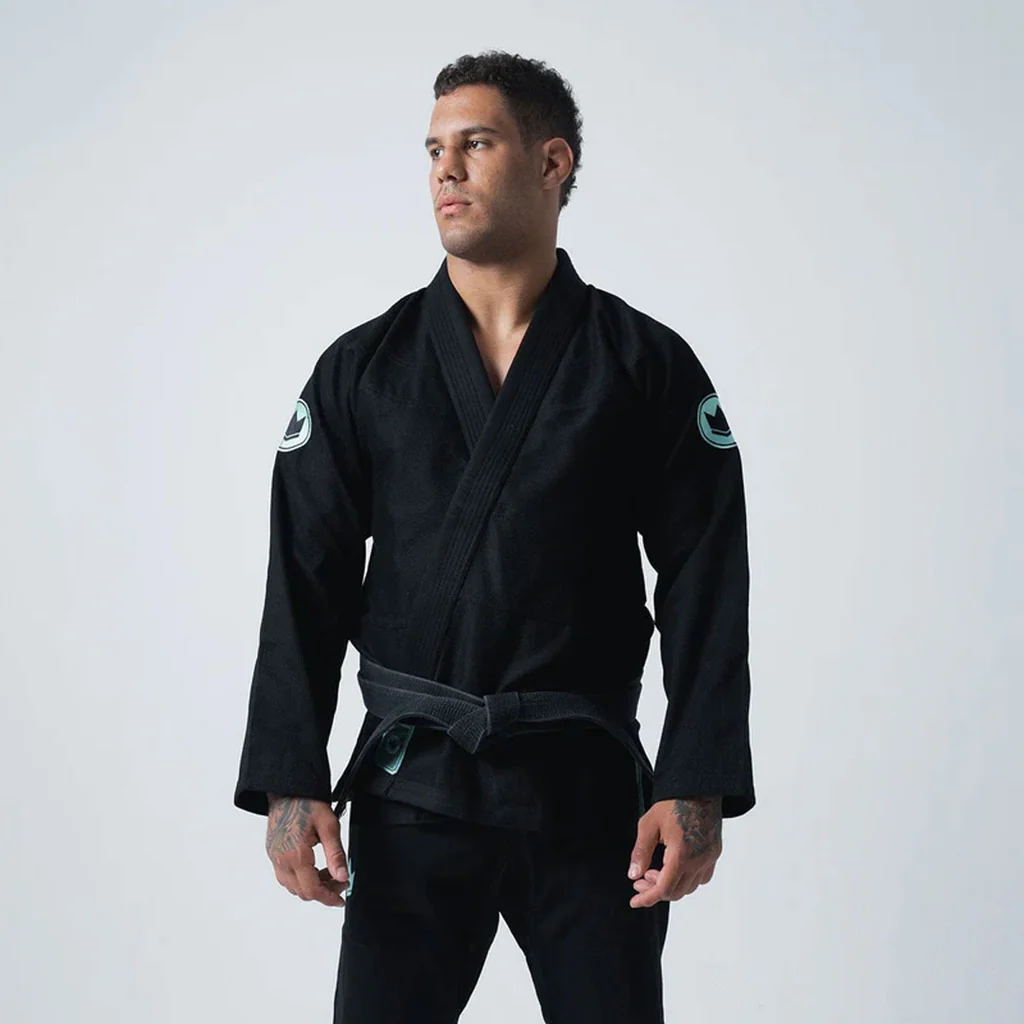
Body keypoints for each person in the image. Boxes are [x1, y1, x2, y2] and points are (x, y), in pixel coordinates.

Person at [233, 49, 755, 1024]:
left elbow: (706, 577)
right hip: (416, 791)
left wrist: (697, 781)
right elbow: (303, 576)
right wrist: (288, 776)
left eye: (475, 143)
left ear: (552, 163)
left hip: (590, 800)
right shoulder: (364, 368)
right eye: (434, 149)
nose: (446, 168)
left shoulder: (643, 363)